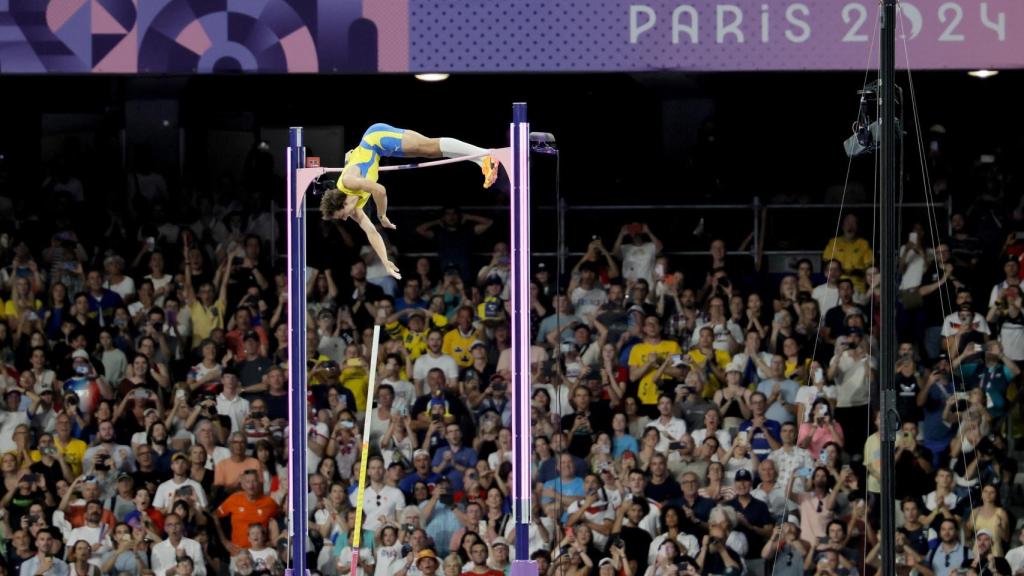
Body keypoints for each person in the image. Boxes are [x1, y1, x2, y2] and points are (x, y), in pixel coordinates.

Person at [320, 124, 500, 279]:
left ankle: (485, 155)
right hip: (378, 150)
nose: (344, 219)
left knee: (428, 147)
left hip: (375, 138)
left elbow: (380, 190)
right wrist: (385, 261)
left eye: (342, 215)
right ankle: (480, 160)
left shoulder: (348, 182)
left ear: (342, 203)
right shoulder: (354, 209)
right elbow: (372, 232)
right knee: (430, 152)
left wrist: (382, 216)